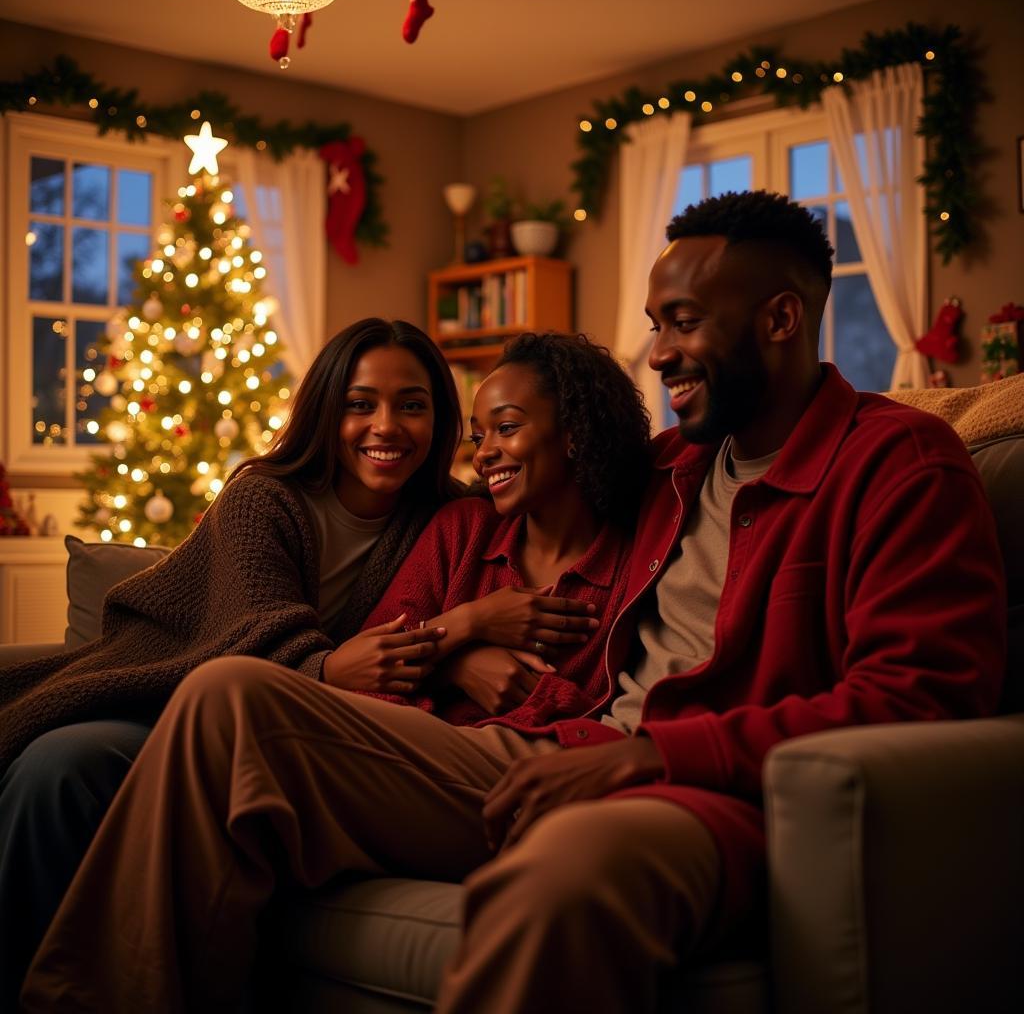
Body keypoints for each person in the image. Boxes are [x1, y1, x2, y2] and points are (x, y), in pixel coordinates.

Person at [21, 192, 1005, 1014]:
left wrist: (656, 751)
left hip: (710, 793)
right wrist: (460, 646)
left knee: (564, 874)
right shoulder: (665, 472)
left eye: (681, 322)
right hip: (559, 747)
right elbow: (527, 533)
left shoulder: (899, 465)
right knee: (230, 698)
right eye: (654, 325)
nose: (655, 353)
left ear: (780, 319)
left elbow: (923, 698)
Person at [0, 317, 467, 1008]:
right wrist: (327, 670)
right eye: (360, 403)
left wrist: (464, 641)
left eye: (413, 404)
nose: (387, 426)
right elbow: (251, 629)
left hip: (295, 738)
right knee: (59, 766)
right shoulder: (265, 496)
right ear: (326, 408)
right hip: (171, 692)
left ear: (441, 418)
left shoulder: (452, 518)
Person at [353, 331, 651, 728]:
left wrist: (513, 689)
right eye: (478, 437)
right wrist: (457, 658)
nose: (483, 455)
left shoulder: (633, 565)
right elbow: (364, 678)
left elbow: (605, 720)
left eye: (506, 428)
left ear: (575, 432)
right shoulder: (463, 529)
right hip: (408, 758)